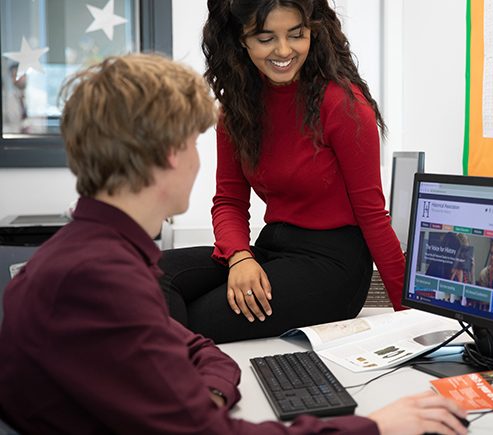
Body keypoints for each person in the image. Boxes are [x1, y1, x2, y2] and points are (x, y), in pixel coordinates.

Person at [0, 53, 468, 435]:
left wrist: (207, 387)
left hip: (327, 261)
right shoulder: (103, 281)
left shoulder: (88, 256)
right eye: (194, 142)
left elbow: (190, 347)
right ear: (171, 155)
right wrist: (375, 426)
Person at [158, 0, 406, 344]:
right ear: (242, 39)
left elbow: (374, 216)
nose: (284, 50)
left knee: (193, 318)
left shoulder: (343, 104)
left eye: (296, 35)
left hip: (334, 264)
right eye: (266, 38)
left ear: (313, 33)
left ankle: (172, 372)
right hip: (272, 247)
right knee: (149, 276)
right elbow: (229, 201)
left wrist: (416, 319)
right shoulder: (238, 106)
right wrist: (239, 257)